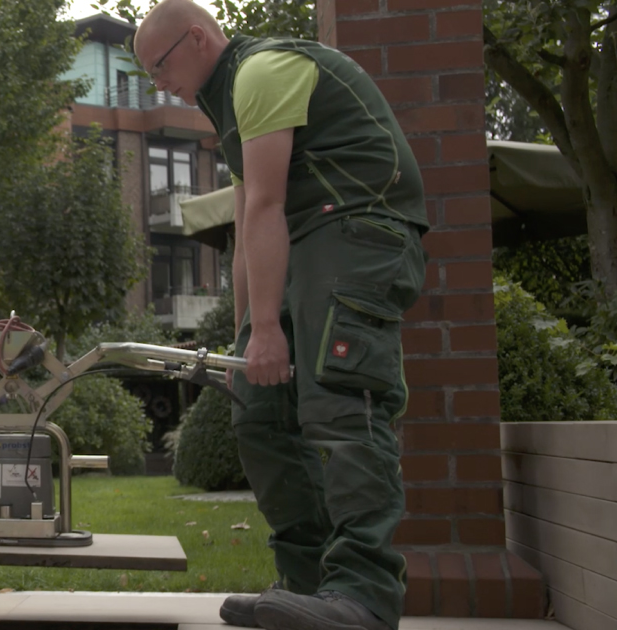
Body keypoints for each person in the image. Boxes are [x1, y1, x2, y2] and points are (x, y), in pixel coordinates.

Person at [133, 2, 430, 629]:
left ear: (197, 37)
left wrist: (270, 328)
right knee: (259, 412)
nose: (158, 84)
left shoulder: (262, 72)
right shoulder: (229, 101)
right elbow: (247, 226)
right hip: (307, 238)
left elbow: (267, 205)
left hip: (357, 228)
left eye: (158, 67)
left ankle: (365, 595)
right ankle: (310, 586)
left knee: (341, 404)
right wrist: (249, 340)